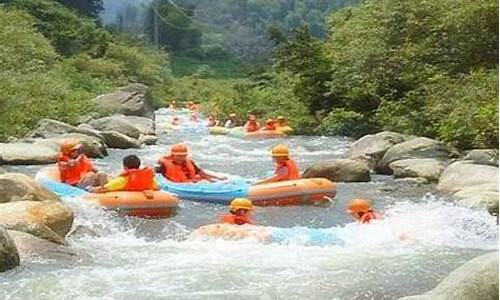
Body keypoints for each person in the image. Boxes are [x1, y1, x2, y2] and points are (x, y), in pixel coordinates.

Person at [157, 144, 225, 183]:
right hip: (176, 185)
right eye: (178, 156)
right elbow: (157, 177)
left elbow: (202, 174)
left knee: (207, 180)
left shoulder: (189, 162)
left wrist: (217, 178)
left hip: (190, 183)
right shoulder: (164, 165)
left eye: (183, 156)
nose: (181, 158)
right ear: (172, 156)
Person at [89, 155, 159, 193]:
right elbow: (157, 187)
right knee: (107, 176)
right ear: (138, 166)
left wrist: (90, 189)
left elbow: (102, 189)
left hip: (119, 190)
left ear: (125, 167)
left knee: (101, 175)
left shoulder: (122, 180)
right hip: (141, 194)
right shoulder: (149, 179)